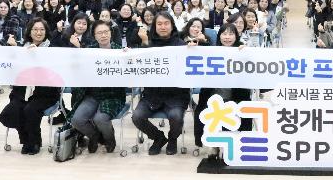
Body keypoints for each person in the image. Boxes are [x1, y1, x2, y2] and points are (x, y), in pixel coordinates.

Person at [0, 18, 62, 154]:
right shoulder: (22, 47)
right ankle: (25, 140)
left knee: (30, 110)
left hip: (45, 92)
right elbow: (12, 68)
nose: (38, 33)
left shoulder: (53, 48)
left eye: (42, 29)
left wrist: (37, 55)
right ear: (29, 31)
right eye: (35, 29)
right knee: (15, 110)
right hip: (22, 91)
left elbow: (54, 72)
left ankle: (34, 142)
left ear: (46, 31)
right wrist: (13, 49)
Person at [131, 11, 189, 155]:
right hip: (152, 95)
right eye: (159, 24)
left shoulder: (182, 45)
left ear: (172, 25)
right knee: (137, 117)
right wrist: (130, 53)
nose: (163, 27)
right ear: (154, 26)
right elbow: (140, 66)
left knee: (176, 117)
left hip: (176, 95)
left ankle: (172, 139)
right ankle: (158, 138)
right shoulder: (149, 44)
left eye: (166, 23)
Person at [70, 20, 127, 153]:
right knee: (77, 120)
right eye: (99, 33)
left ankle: (109, 139)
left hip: (113, 96)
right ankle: (95, 136)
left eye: (106, 32)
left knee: (100, 119)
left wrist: (129, 57)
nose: (103, 35)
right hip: (93, 95)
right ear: (94, 36)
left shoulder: (120, 51)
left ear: (111, 33)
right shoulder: (89, 51)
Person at [193, 23, 252, 147]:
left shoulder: (242, 50)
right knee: (202, 112)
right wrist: (193, 46)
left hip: (236, 98)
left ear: (236, 36)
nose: (227, 37)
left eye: (231, 34)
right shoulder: (211, 51)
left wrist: (247, 52)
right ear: (219, 36)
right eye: (224, 34)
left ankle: (235, 145)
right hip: (212, 99)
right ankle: (212, 146)